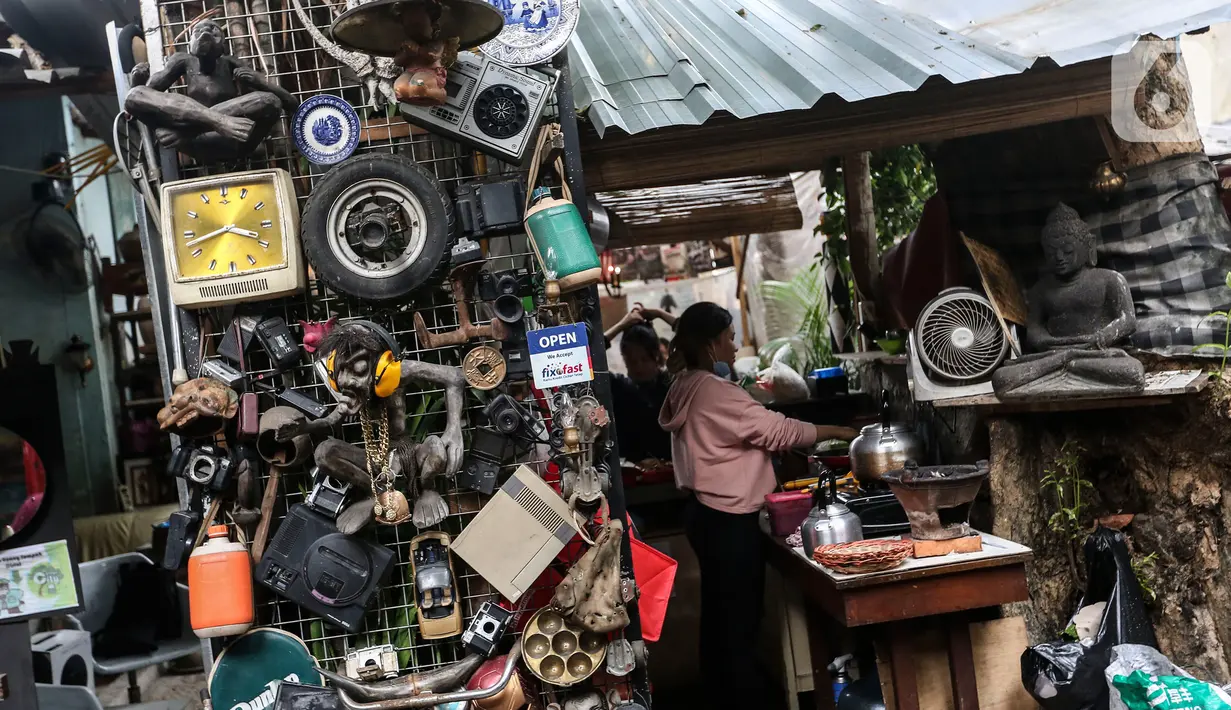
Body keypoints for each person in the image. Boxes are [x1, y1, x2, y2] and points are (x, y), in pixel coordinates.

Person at [658, 302, 857, 708]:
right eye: (730, 337)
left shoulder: (685, 383)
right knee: (739, 625)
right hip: (730, 520)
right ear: (712, 344)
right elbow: (776, 430)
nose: (734, 345)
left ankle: (720, 695)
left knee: (720, 618)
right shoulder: (712, 390)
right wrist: (839, 430)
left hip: (705, 514)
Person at [604, 306, 676, 466]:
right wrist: (621, 325)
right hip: (632, 475)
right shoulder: (619, 386)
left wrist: (660, 314)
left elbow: (698, 340)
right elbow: (583, 355)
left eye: (644, 359)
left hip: (672, 473)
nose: (639, 367)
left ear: (656, 356)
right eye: (631, 361)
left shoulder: (671, 383)